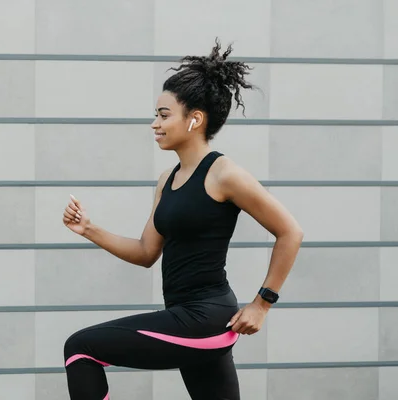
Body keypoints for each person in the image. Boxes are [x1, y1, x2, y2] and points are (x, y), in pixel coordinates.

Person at [61, 39, 304, 400]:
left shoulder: (224, 174)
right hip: (187, 317)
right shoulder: (167, 180)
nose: (154, 124)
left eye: (163, 115)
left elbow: (290, 232)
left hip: (204, 318)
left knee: (80, 349)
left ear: (194, 119)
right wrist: (89, 229)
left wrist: (261, 303)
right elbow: (146, 252)